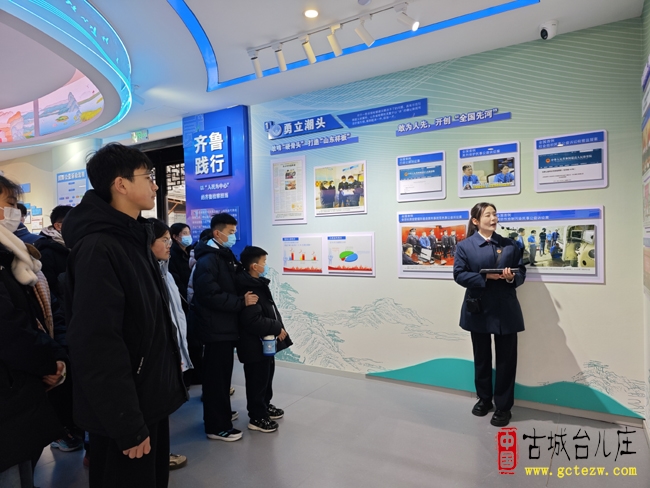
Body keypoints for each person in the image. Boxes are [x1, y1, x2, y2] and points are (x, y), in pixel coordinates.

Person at [63, 143, 187, 488]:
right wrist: (126, 423)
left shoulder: (134, 237)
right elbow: (97, 344)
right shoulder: (99, 248)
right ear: (120, 185)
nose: (155, 185)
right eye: (148, 177)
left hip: (147, 397)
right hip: (126, 408)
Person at [0, 176, 68, 487]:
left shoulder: (15, 257)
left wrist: (54, 357)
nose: (16, 211)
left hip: (19, 389)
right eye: (10, 204)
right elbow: (10, 329)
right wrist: (48, 362)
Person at [453, 202, 526, 427]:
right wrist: (485, 277)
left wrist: (511, 277)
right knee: (482, 358)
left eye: (494, 214)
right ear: (476, 221)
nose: (493, 218)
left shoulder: (510, 245)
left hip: (506, 310)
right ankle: (484, 399)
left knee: (506, 360)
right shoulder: (465, 246)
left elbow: (521, 273)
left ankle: (503, 407)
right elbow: (459, 275)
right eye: (488, 215)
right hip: (479, 309)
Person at [190, 212, 257, 442]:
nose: (234, 236)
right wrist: (241, 302)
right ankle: (217, 426)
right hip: (215, 329)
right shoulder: (208, 260)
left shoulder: (223, 255)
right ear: (217, 233)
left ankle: (221, 415)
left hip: (225, 327)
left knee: (222, 378)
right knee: (216, 380)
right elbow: (210, 295)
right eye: (230, 232)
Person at [148, 219, 193, 471]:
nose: (169, 244)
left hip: (170, 352)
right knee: (154, 410)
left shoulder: (165, 273)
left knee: (162, 412)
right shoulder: (146, 276)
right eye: (164, 240)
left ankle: (160, 454)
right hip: (157, 357)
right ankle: (156, 457)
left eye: (169, 239)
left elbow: (176, 316)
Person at [236, 246, 292, 433]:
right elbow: (252, 320)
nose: (265, 266)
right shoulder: (248, 288)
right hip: (253, 345)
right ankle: (257, 417)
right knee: (257, 380)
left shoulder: (257, 283)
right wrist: (276, 327)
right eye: (264, 262)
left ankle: (265, 406)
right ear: (254, 266)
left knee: (265, 377)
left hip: (264, 343)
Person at [35, 205, 73, 303]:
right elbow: (50, 290)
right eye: (73, 222)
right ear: (58, 226)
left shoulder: (73, 246)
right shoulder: (46, 252)